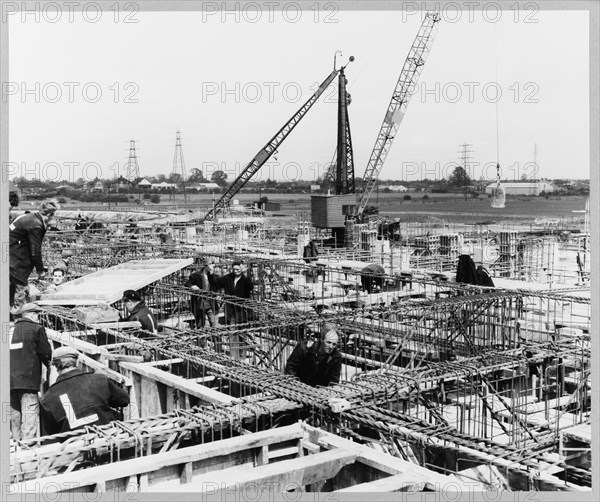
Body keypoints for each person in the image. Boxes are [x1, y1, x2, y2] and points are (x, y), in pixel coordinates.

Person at [39, 346, 130, 435]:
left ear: (55, 365)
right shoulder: (99, 380)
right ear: (77, 362)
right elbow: (124, 400)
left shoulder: (47, 399)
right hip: (107, 439)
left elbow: (52, 431)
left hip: (75, 446)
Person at [10, 303, 53, 441]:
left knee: (14, 417)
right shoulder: (37, 329)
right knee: (29, 418)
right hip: (28, 382)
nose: (38, 318)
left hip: (9, 382)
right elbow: (46, 353)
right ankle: (28, 450)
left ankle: (17, 448)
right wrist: (49, 366)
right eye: (37, 315)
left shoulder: (10, 330)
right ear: (32, 315)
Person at [9, 200, 60, 313]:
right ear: (49, 215)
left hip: (10, 252)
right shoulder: (36, 225)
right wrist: (40, 271)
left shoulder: (29, 217)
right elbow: (35, 251)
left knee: (11, 285)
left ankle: (10, 312)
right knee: (20, 287)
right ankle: (20, 319)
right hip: (14, 258)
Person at [185, 261, 218, 329]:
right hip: (200, 303)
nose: (213, 265)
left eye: (213, 264)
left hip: (211, 303)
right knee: (200, 325)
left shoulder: (214, 276)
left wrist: (212, 274)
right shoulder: (196, 275)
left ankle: (215, 339)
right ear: (206, 266)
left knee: (214, 324)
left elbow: (218, 285)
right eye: (211, 264)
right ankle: (201, 338)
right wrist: (192, 286)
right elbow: (187, 284)